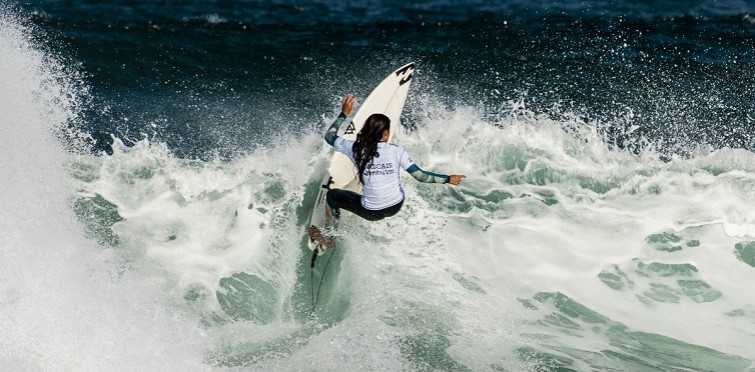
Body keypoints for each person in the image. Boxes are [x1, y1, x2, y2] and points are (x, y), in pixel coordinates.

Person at [308, 94, 465, 247]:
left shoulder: (354, 148)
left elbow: (329, 136)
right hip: (396, 205)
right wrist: (448, 179)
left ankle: (330, 237)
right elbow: (421, 176)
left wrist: (344, 114)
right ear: (385, 134)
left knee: (332, 195)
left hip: (371, 212)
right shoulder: (396, 150)